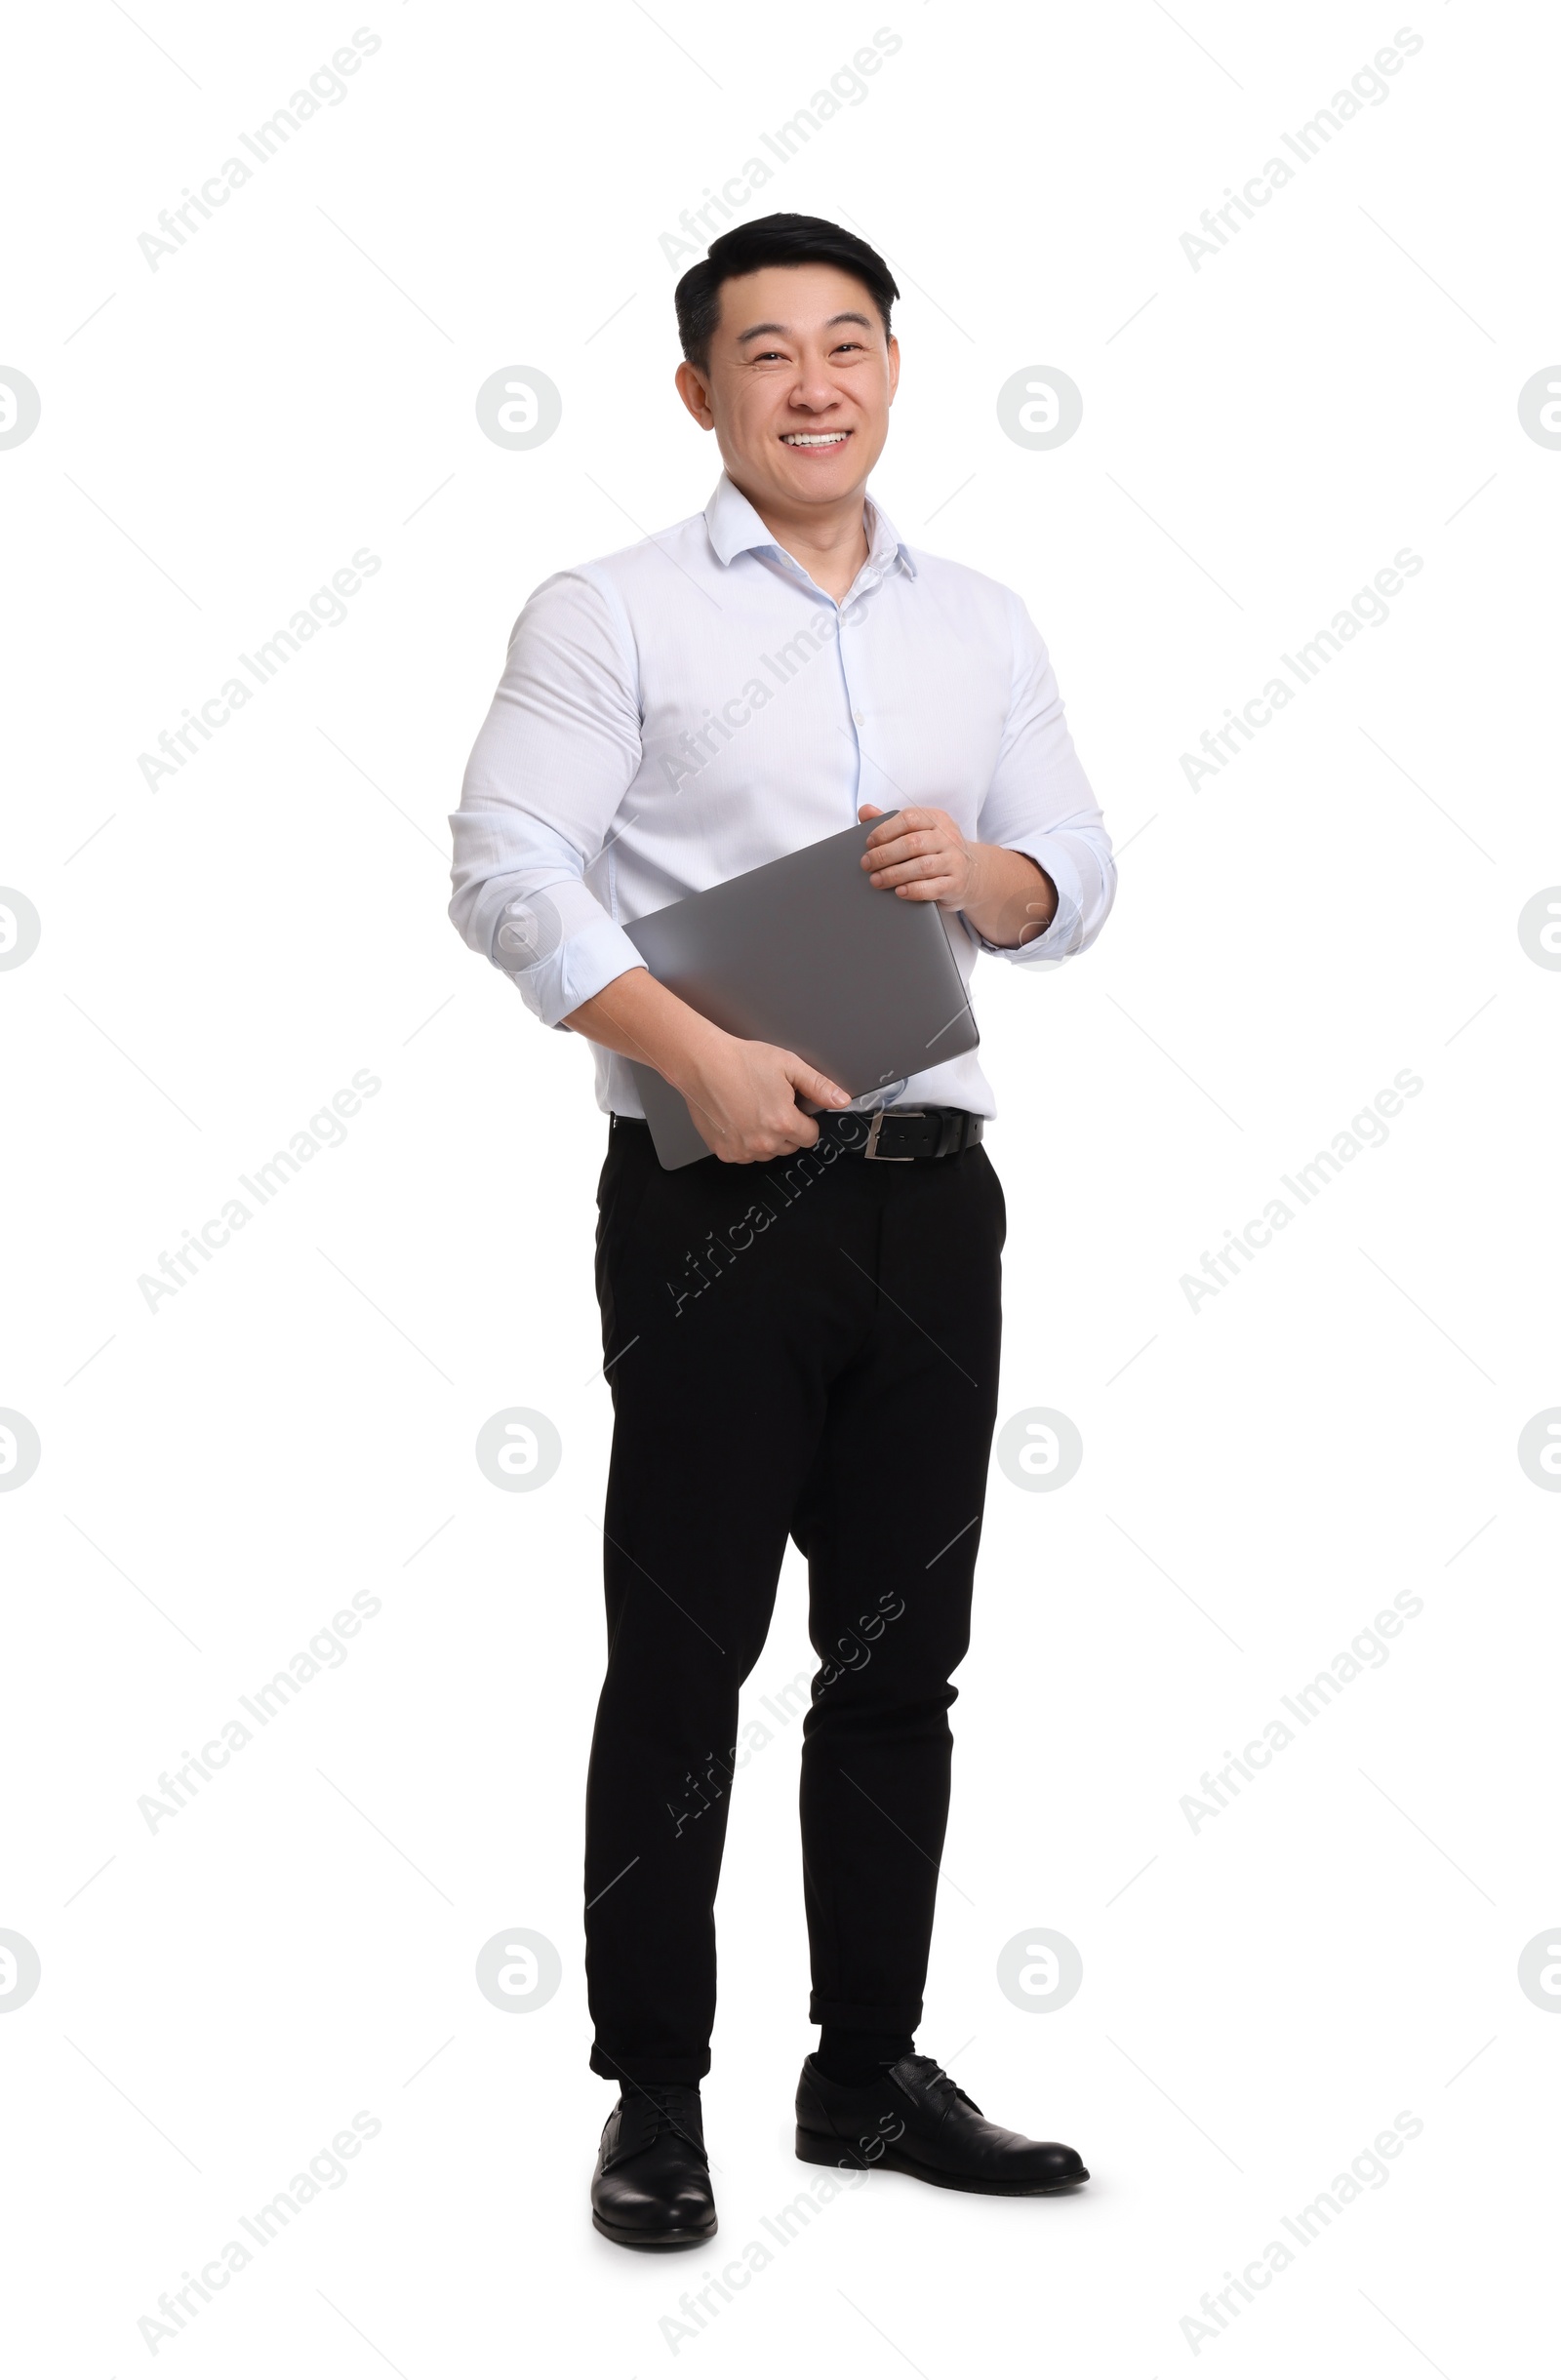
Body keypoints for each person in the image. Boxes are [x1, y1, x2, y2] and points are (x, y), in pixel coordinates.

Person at [449, 213, 1115, 2248]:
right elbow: (501, 864)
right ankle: (655, 2089)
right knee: (683, 1657)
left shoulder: (978, 622)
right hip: (714, 1201)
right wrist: (690, 1051)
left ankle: (866, 2066)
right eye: (765, 353)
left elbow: (1077, 872)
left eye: (847, 345)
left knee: (899, 1661)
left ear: (893, 370)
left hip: (933, 1199)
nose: (811, 383)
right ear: (698, 393)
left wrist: (991, 879)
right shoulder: (610, 612)